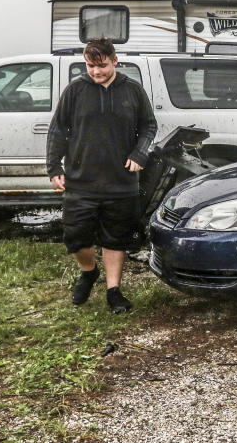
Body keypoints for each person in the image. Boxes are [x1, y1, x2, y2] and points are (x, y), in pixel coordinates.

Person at [46, 38, 157, 313]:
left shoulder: (133, 90)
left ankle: (113, 291)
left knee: (115, 238)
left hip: (121, 182)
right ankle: (88, 271)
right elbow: (58, 130)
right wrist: (54, 167)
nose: (96, 71)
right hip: (82, 180)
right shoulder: (75, 90)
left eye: (102, 66)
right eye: (91, 66)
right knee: (76, 237)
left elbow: (148, 126)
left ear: (115, 61)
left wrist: (140, 153)